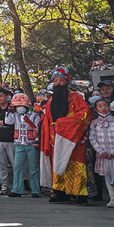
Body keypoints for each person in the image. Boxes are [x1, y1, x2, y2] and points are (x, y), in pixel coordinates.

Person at [40, 66, 93, 205]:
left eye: (61, 80)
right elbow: (47, 119)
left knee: (75, 164)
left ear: (67, 82)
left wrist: (63, 124)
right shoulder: (50, 101)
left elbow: (85, 113)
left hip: (73, 137)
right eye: (55, 80)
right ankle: (60, 192)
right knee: (58, 162)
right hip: (56, 138)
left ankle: (79, 193)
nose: (57, 83)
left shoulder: (76, 97)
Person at [8, 93, 42, 198]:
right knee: (17, 167)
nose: (19, 108)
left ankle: (35, 190)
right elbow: (8, 122)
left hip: (31, 144)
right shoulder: (14, 116)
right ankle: (17, 189)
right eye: (17, 107)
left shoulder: (34, 115)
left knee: (33, 167)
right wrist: (9, 111)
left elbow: (38, 127)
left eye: (21, 106)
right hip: (19, 144)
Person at [88, 99, 114, 208]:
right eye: (100, 106)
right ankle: (113, 198)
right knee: (107, 177)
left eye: (105, 105)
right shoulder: (94, 123)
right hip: (103, 155)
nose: (103, 108)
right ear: (96, 109)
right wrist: (100, 151)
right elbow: (92, 138)